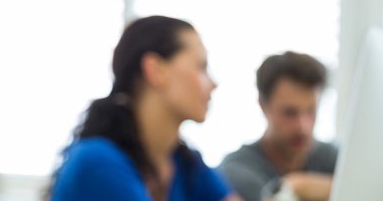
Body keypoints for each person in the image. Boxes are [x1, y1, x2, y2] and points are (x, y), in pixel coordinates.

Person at [48, 16, 240, 201]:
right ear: (155, 70)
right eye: (201, 67)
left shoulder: (186, 164)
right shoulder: (97, 163)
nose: (214, 83)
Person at [218, 51, 337, 201]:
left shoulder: (333, 158)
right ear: (263, 106)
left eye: (311, 111)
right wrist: (289, 188)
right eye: (289, 113)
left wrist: (297, 185)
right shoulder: (236, 170)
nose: (303, 127)